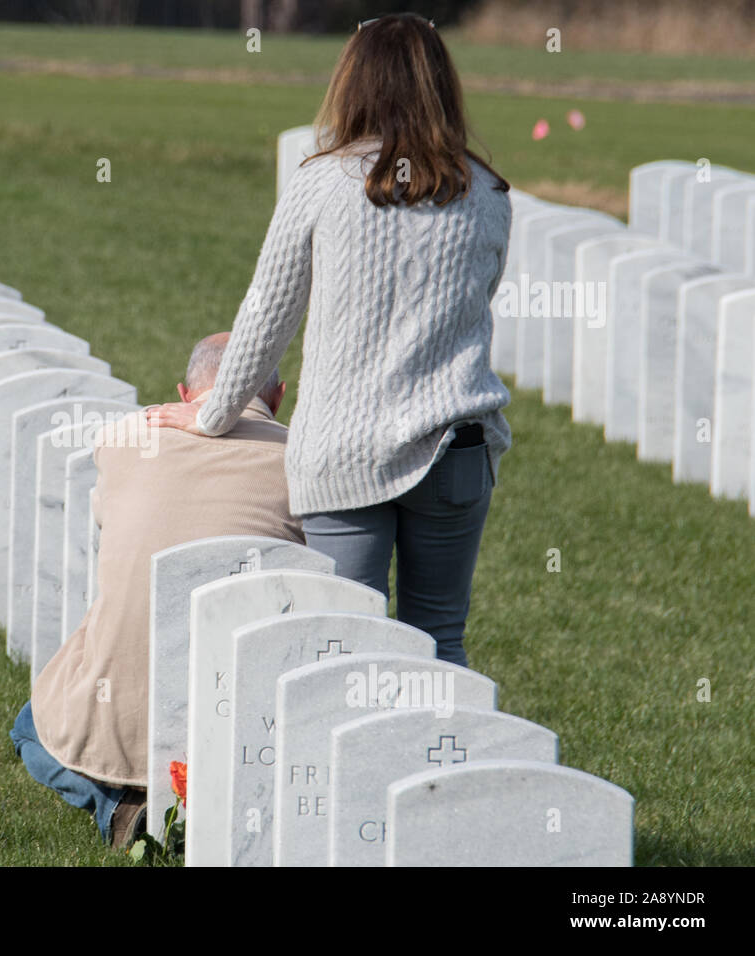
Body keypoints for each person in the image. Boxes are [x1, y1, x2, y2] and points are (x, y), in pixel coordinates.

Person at [146, 13, 512, 670]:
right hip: (455, 444)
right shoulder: (487, 193)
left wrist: (213, 414)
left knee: (348, 642)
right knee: (440, 638)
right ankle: (439, 768)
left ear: (354, 83)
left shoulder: (323, 182)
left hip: (345, 447)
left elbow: (266, 317)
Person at [10, 332, 302, 849]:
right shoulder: (304, 461)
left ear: (184, 395)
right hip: (252, 716)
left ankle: (117, 805)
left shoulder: (124, 442)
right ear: (278, 396)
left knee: (30, 729)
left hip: (122, 713)